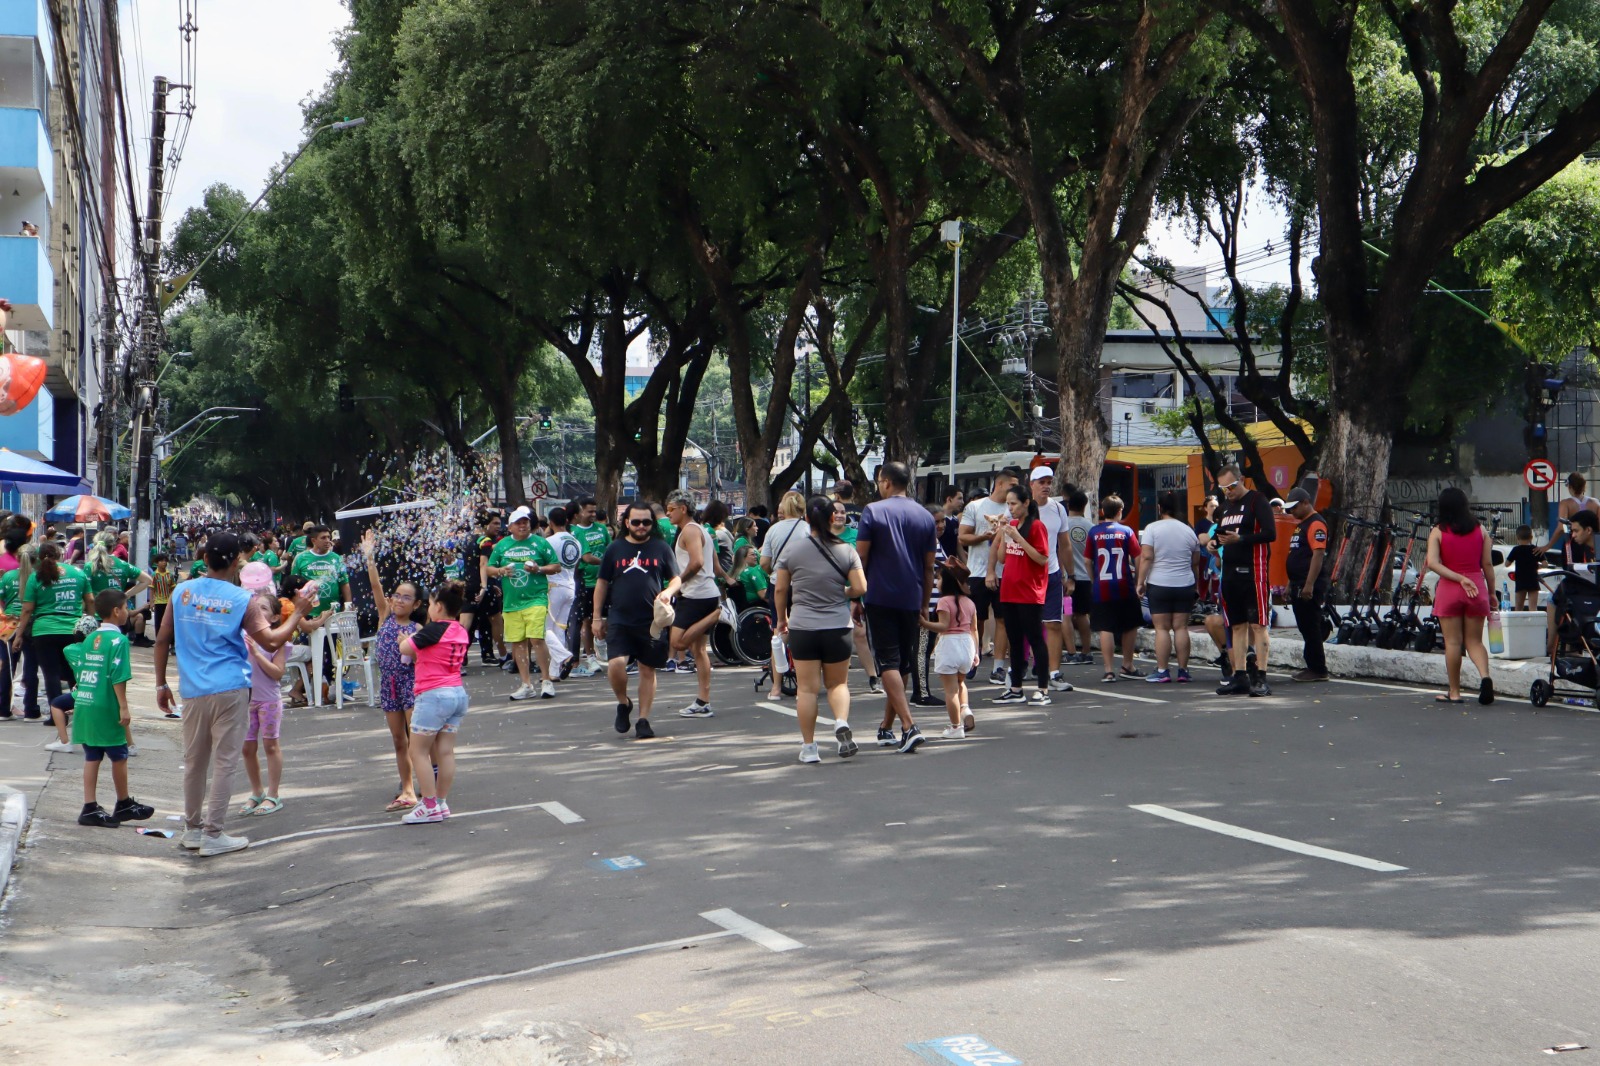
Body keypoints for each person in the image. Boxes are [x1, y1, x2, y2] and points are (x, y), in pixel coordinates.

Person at [154, 532, 316, 856]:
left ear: (204, 559)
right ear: (234, 562)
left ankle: (193, 830)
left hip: (192, 690)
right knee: (225, 762)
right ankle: (214, 833)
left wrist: (161, 684)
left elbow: (161, 640)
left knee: (195, 761)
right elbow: (271, 641)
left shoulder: (181, 591)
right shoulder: (241, 599)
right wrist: (297, 613)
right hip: (230, 688)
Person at [773, 495, 864, 763]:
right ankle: (840, 722)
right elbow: (860, 588)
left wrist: (781, 619)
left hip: (803, 627)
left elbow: (780, 588)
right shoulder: (847, 550)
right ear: (830, 517)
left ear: (807, 519)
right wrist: (843, 591)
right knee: (838, 684)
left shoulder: (793, 550)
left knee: (807, 690)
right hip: (838, 626)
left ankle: (810, 747)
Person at [856, 461, 938, 753]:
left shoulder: (873, 511)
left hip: (880, 596)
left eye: (879, 481)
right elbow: (930, 567)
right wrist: (925, 603)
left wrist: (855, 597)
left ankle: (908, 725)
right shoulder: (926, 517)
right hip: (912, 597)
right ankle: (886, 726)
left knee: (888, 663)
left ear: (886, 482)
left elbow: (860, 559)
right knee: (901, 663)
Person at [55, 590, 154, 828]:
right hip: (105, 705)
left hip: (86, 702)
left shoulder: (90, 639)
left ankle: (89, 806)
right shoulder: (118, 640)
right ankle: (124, 802)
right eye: (126, 607)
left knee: (93, 756)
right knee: (119, 755)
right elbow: (118, 677)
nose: (129, 611)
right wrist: (124, 707)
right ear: (117, 611)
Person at [593, 503, 682, 740]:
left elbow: (676, 579)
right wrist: (596, 617)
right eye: (636, 522)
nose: (641, 526)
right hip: (620, 618)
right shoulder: (615, 549)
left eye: (646, 522)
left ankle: (643, 719)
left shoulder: (661, 548)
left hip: (651, 621)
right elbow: (601, 584)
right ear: (626, 523)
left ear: (652, 524)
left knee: (647, 669)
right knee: (615, 665)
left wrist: (668, 592)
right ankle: (623, 703)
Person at [397, 581, 472, 824]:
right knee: (446, 751)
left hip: (433, 696)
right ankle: (440, 802)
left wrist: (405, 638)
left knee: (417, 751)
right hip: (457, 694)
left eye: (430, 604)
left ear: (438, 607)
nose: (429, 608)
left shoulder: (434, 629)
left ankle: (428, 804)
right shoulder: (460, 629)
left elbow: (406, 648)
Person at [362, 530, 423, 812]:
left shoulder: (418, 629)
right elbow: (375, 584)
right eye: (397, 595)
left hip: (411, 684)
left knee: (415, 738)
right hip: (388, 684)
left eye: (406, 597)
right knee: (399, 739)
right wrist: (370, 557)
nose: (399, 600)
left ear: (417, 604)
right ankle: (407, 787)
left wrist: (408, 646)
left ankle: (423, 781)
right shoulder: (384, 615)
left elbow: (423, 659)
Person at [16, 541, 93, 749]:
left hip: (44, 631)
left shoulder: (35, 577)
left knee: (50, 675)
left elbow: (26, 610)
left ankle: (55, 716)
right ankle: (81, 713)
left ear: (40, 557)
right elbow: (90, 600)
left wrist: (18, 635)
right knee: (75, 674)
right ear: (60, 554)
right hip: (73, 630)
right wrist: (91, 621)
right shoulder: (77, 574)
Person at [1426, 486, 1495, 705]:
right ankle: (1485, 677)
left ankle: (1454, 692)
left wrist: (1458, 579)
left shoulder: (1438, 531)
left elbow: (1433, 563)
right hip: (1476, 587)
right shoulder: (1480, 529)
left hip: (1449, 588)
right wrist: (1491, 592)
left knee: (1453, 643)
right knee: (1474, 641)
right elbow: (1487, 564)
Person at [1213, 465, 1276, 697]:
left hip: (1253, 571)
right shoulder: (1227, 507)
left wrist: (1242, 539)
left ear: (1241, 480)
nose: (1227, 492)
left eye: (1230, 486)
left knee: (1258, 625)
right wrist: (1214, 543)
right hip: (1229, 574)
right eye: (1223, 488)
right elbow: (1219, 535)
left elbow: (1271, 533)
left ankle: (1260, 677)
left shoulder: (1257, 500)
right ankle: (1239, 675)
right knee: (1236, 625)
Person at [487, 506, 561, 701]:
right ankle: (526, 684)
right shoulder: (502, 546)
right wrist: (501, 571)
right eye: (518, 523)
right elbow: (489, 569)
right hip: (512, 602)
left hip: (536, 598)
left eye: (525, 522)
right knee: (518, 643)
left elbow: (556, 567)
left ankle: (546, 681)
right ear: (510, 526)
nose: (523, 525)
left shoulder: (540, 543)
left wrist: (539, 569)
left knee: (536, 638)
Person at [992, 484, 1054, 706]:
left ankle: (1043, 689)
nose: (1010, 508)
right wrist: (1002, 533)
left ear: (1026, 503)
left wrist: (1018, 537)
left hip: (1030, 592)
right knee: (1015, 641)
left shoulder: (1037, 527)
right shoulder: (1013, 525)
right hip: (1009, 590)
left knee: (1036, 639)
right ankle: (1016, 688)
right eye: (1008, 504)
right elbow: (1002, 558)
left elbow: (1041, 558)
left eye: (1014, 504)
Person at [960, 467, 1024, 681]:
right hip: (977, 572)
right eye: (1012, 485)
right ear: (1000, 484)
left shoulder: (1014, 509)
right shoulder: (976, 506)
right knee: (976, 620)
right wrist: (983, 536)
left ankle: (998, 667)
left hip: (1006, 572)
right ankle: (973, 658)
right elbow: (963, 537)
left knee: (1003, 619)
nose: (1015, 489)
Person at [664, 490, 721, 717]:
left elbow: (697, 562)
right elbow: (711, 563)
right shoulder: (698, 530)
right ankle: (703, 701)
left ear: (683, 509)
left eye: (671, 510)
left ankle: (718, 615)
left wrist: (676, 584)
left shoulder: (689, 530)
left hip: (697, 595)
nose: (668, 514)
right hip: (703, 593)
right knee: (698, 650)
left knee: (677, 643)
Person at [1137, 491, 1200, 683]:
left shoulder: (1152, 529)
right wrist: (1195, 584)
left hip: (1159, 584)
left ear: (1159, 508)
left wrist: (1140, 582)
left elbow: (1147, 557)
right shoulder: (1188, 530)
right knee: (1181, 627)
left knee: (1162, 629)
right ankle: (1183, 671)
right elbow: (1195, 562)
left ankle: (1163, 671)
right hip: (1185, 584)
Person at [238, 592, 289, 818]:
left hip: (268, 700)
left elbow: (277, 673)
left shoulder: (279, 642)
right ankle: (256, 791)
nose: (258, 612)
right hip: (245, 700)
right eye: (254, 608)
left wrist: (257, 653)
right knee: (247, 748)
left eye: (264, 609)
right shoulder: (241, 636)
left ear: (275, 617)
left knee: (270, 746)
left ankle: (273, 794)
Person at [1085, 495, 1143, 682]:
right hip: (1124, 585)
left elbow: (1087, 560)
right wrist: (1139, 581)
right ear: (1120, 511)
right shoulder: (1126, 531)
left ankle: (1109, 670)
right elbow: (1138, 556)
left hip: (1102, 587)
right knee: (1130, 625)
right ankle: (1128, 665)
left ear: (1102, 511)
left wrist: (1094, 579)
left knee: (1105, 628)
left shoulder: (1094, 532)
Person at [1028, 468, 1075, 691]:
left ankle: (1054, 673)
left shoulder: (1058, 509)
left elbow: (1065, 545)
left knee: (1053, 624)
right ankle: (1016, 669)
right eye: (1041, 482)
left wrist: (1071, 576)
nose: (1046, 486)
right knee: (1025, 625)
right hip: (1026, 577)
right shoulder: (1021, 508)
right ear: (1031, 484)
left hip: (1052, 574)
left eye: (1049, 482)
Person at [760, 491, 809, 701]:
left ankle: (776, 687)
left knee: (778, 635)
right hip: (803, 585)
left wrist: (774, 570)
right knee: (803, 633)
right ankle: (805, 685)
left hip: (777, 585)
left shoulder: (773, 530)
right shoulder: (808, 529)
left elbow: (764, 562)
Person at [924, 564, 980, 737]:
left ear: (948, 582)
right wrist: (976, 652)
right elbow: (974, 629)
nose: (936, 582)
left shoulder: (944, 602)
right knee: (960, 682)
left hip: (950, 645)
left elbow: (943, 626)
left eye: (939, 578)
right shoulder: (969, 603)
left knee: (950, 690)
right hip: (966, 645)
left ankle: (956, 727)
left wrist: (923, 623)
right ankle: (965, 710)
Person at [1284, 487, 1331, 682]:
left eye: (1294, 508)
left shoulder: (1316, 524)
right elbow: (1297, 556)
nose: (1291, 512)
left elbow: (1318, 555)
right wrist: (1289, 583)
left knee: (1310, 626)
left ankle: (1318, 668)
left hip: (1308, 585)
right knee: (1305, 626)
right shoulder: (1301, 524)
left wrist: (1309, 584)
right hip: (1298, 582)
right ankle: (1312, 665)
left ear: (1305, 502)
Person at [569, 498, 612, 677]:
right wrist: (605, 563)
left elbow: (610, 548)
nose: (593, 515)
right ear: (580, 513)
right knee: (586, 620)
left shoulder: (602, 529)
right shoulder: (575, 532)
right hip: (586, 582)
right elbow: (585, 558)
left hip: (607, 581)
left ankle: (601, 641)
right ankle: (591, 656)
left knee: (610, 617)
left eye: (595, 511)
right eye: (590, 511)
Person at [542, 507, 583, 681]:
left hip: (554, 586)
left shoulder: (549, 541)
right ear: (566, 521)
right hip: (570, 585)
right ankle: (554, 672)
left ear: (550, 522)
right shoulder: (576, 541)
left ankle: (565, 655)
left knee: (544, 629)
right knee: (559, 627)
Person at [1060, 485, 1095, 666]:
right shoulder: (1090, 527)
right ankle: (1087, 652)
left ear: (1068, 504)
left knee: (1067, 614)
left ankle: (1072, 653)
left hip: (1068, 579)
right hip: (1085, 578)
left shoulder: (1062, 525)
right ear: (1084, 506)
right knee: (1082, 615)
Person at [1539, 472, 1600, 557]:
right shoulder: (1595, 503)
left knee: (1571, 569)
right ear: (1584, 486)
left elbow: (1561, 527)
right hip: (1593, 544)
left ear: (1570, 487)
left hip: (1573, 544)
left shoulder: (1565, 503)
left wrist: (1548, 546)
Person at [1505, 525, 1540, 611]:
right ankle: (1533, 622)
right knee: (1533, 608)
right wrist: (1537, 566)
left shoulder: (1516, 550)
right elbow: (1545, 564)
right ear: (1531, 537)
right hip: (1533, 580)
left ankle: (1518, 623)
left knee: (1519, 607)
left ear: (1517, 537)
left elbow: (1507, 564)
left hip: (1520, 580)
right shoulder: (1535, 549)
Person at [938, 488, 966, 562]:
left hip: (951, 565)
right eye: (959, 499)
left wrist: (965, 563)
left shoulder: (955, 520)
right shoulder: (937, 518)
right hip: (940, 563)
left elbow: (957, 543)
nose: (962, 502)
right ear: (949, 499)